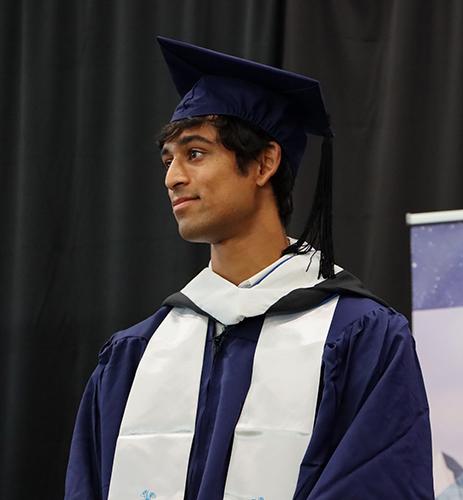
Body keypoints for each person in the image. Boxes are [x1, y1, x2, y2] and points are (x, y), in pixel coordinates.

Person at [65, 36, 433, 500]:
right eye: (168, 159)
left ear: (264, 162)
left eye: (195, 154)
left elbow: (379, 484)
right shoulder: (135, 354)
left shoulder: (360, 339)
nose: (172, 177)